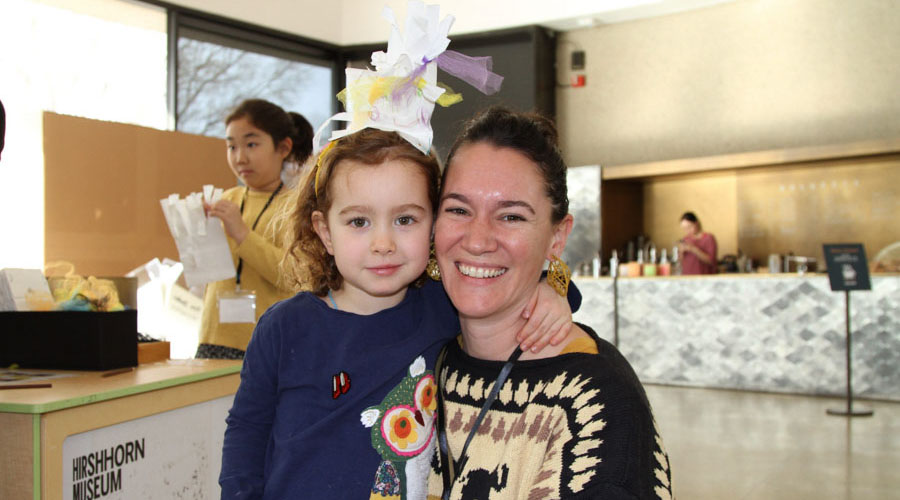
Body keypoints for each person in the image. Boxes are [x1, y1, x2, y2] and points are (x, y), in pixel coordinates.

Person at [218, 3, 578, 498]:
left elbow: (520, 291)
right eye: (359, 221)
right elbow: (245, 437)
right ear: (324, 230)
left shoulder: (440, 307)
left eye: (406, 219)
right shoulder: (283, 329)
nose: (383, 243)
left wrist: (552, 290)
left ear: (434, 222)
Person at [427, 107, 673, 499]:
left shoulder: (594, 399)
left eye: (510, 217)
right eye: (458, 210)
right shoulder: (420, 356)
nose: (477, 240)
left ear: (557, 238)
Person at [195, 99, 314, 359]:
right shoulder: (227, 198)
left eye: (251, 144)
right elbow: (206, 274)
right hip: (213, 335)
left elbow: (295, 277)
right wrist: (196, 234)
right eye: (231, 146)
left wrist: (242, 235)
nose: (240, 157)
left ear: (283, 148)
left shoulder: (296, 207)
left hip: (266, 343)